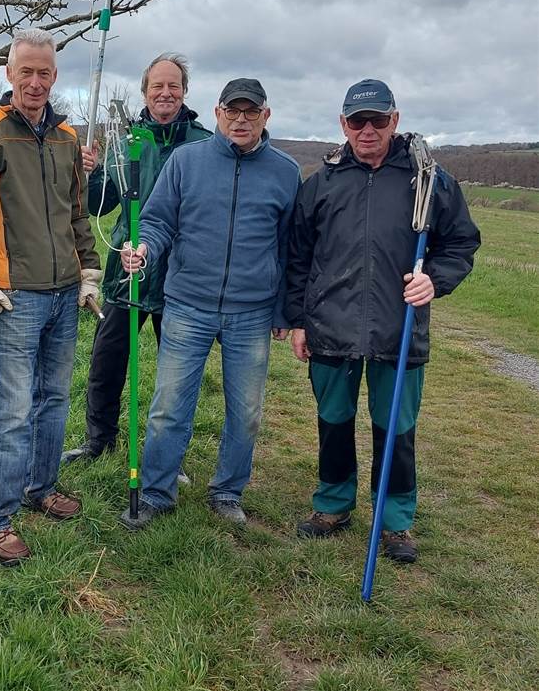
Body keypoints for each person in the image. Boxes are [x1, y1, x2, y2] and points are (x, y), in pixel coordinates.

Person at [285, 79, 480, 563]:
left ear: (395, 120)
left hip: (401, 330)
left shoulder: (429, 181)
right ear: (343, 124)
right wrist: (297, 321)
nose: (367, 130)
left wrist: (434, 279)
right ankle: (333, 505)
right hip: (331, 327)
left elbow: (460, 243)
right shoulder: (321, 183)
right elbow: (297, 257)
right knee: (333, 421)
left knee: (395, 429)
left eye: (377, 120)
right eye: (357, 121)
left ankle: (395, 523)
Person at [119, 78, 300, 529]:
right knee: (169, 405)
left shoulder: (286, 172)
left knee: (247, 411)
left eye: (250, 112)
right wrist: (144, 249)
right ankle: (158, 491)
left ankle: (227, 491)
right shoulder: (185, 161)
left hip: (252, 311)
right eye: (232, 111)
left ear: (265, 116)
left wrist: (284, 311)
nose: (241, 120)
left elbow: (289, 248)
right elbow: (158, 221)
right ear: (217, 113)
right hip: (187, 305)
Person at [0, 28, 102, 566]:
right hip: (15, 298)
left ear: (55, 75)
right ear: (9, 74)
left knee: (55, 400)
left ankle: (41, 488)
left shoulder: (67, 139)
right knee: (14, 409)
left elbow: (76, 213)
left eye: (44, 72)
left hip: (65, 294)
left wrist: (88, 270)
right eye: (27, 72)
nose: (36, 81)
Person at [61, 53, 211, 466]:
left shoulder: (203, 144)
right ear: (145, 91)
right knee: (107, 360)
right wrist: (86, 173)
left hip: (182, 274)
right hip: (127, 269)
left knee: (177, 375)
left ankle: (168, 457)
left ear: (184, 91)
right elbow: (97, 204)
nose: (165, 92)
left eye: (173, 85)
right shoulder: (128, 141)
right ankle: (98, 441)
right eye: (157, 85)